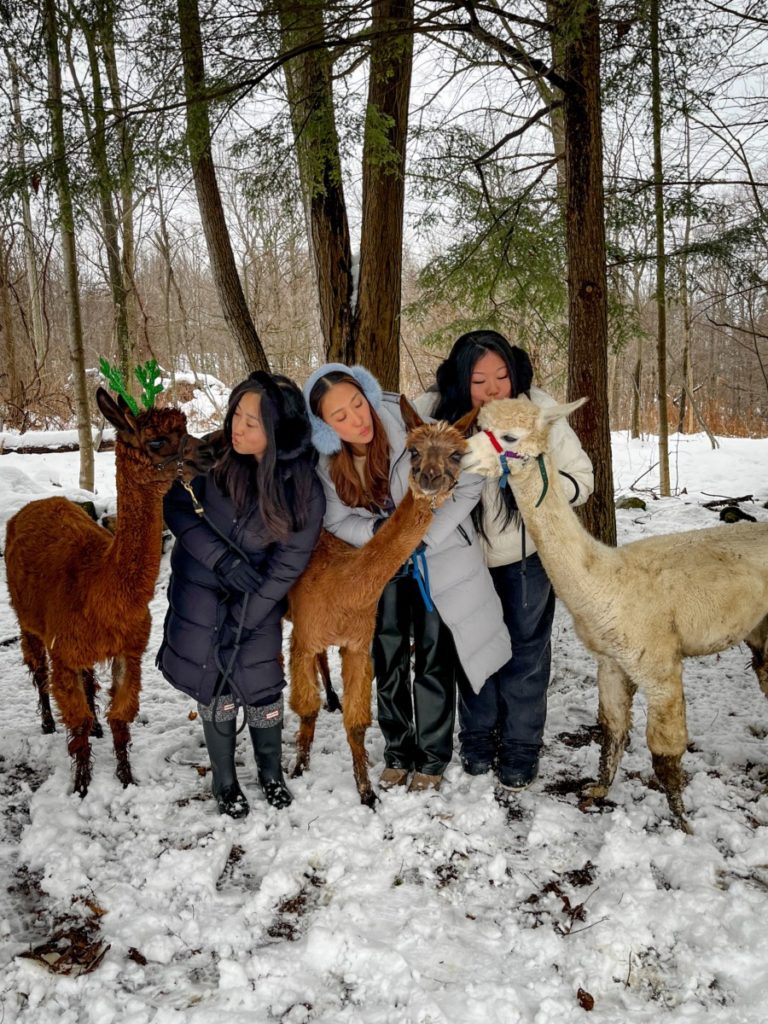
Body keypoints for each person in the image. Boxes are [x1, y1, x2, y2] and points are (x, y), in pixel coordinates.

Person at [303, 363, 511, 793]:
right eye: (339, 416)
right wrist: (381, 536)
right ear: (324, 426)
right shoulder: (328, 463)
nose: (356, 419)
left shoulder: (411, 423)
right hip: (382, 565)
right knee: (388, 655)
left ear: (368, 393)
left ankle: (433, 758)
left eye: (357, 404)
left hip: (439, 556)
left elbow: (468, 483)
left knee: (435, 657)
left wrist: (420, 535)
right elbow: (336, 518)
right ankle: (398, 751)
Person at [414, 330, 594, 792]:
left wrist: (537, 489)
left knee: (526, 653)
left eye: (501, 376)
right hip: (462, 559)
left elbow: (581, 479)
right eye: (479, 380)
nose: (494, 388)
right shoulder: (436, 412)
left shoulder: (537, 409)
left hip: (524, 557)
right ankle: (477, 736)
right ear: (460, 381)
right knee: (474, 648)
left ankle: (520, 744)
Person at [157, 372, 325, 817]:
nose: (238, 426)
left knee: (261, 684)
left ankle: (270, 773)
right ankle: (224, 779)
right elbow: (176, 506)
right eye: (237, 414)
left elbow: (289, 562)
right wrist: (220, 560)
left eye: (253, 421)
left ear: (279, 429)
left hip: (258, 601)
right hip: (200, 594)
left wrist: (247, 616)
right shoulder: (211, 456)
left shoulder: (301, 485)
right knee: (215, 683)